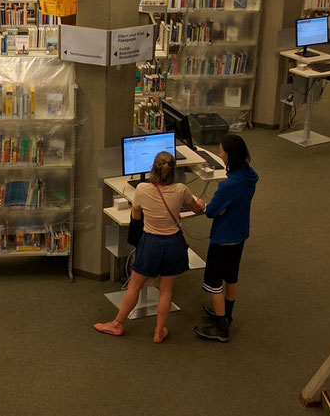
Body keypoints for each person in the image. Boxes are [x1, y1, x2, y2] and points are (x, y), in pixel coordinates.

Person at [94, 151, 205, 343]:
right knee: (166, 289)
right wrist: (201, 204)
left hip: (151, 243)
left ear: (153, 168)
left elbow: (136, 216)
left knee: (134, 286)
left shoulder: (142, 189)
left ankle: (117, 324)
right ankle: (159, 332)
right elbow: (197, 208)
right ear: (173, 172)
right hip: (173, 244)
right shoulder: (181, 190)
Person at [194, 134, 258, 343]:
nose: (220, 154)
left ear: (230, 156)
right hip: (239, 234)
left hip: (223, 238)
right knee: (231, 275)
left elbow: (211, 211)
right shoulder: (249, 176)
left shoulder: (228, 186)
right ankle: (227, 314)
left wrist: (204, 204)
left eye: (221, 151)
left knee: (213, 281)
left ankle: (220, 326)